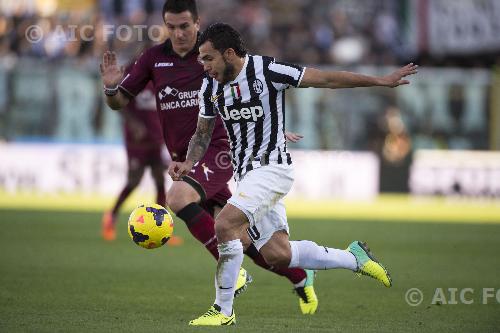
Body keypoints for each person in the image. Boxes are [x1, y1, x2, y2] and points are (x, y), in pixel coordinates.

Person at [168, 23, 418, 326]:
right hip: (247, 175)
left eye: (208, 59)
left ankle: (223, 311)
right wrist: (188, 163)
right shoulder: (211, 86)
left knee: (225, 225)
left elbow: (325, 79)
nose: (203, 66)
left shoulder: (268, 70)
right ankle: (355, 258)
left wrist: (381, 80)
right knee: (278, 255)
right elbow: (202, 134)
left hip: (272, 168)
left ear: (229, 53)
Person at [99, 0, 318, 314]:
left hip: (218, 151)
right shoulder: (152, 59)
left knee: (177, 198)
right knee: (243, 240)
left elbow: (251, 91)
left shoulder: (213, 56)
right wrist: (110, 89)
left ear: (197, 23)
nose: (178, 33)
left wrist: (270, 129)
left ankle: (233, 271)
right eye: (171, 27)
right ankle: (299, 276)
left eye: (185, 26)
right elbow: (120, 102)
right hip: (185, 159)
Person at [101, 80, 169, 242]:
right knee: (134, 181)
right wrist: (133, 124)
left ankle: (162, 227)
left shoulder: (160, 80)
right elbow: (119, 105)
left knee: (160, 181)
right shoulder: (135, 79)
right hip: (136, 142)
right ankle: (111, 216)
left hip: (156, 139)